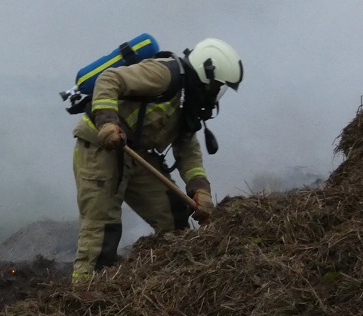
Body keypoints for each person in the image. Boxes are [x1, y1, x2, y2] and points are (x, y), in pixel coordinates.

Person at [71, 38, 243, 283]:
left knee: (175, 219)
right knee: (101, 231)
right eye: (218, 87)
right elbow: (109, 80)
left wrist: (200, 191)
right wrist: (108, 122)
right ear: (208, 74)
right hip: (100, 149)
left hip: (136, 154)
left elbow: (188, 151)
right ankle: (82, 295)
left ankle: (168, 284)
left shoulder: (189, 101)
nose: (216, 95)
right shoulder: (163, 74)